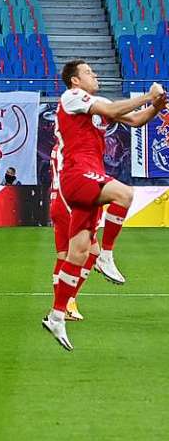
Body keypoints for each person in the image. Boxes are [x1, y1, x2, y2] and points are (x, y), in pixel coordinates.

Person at [42, 61, 165, 350]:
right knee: (124, 193)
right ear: (74, 80)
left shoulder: (98, 103)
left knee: (78, 252)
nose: (94, 75)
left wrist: (157, 106)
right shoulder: (71, 98)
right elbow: (111, 111)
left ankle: (57, 315)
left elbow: (134, 121)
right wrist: (148, 95)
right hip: (77, 174)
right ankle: (107, 255)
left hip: (87, 178)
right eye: (88, 72)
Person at [48, 148, 96, 322]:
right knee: (92, 252)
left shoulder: (58, 147)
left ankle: (60, 307)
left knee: (63, 256)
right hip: (69, 205)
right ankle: (68, 302)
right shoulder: (71, 148)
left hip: (57, 203)